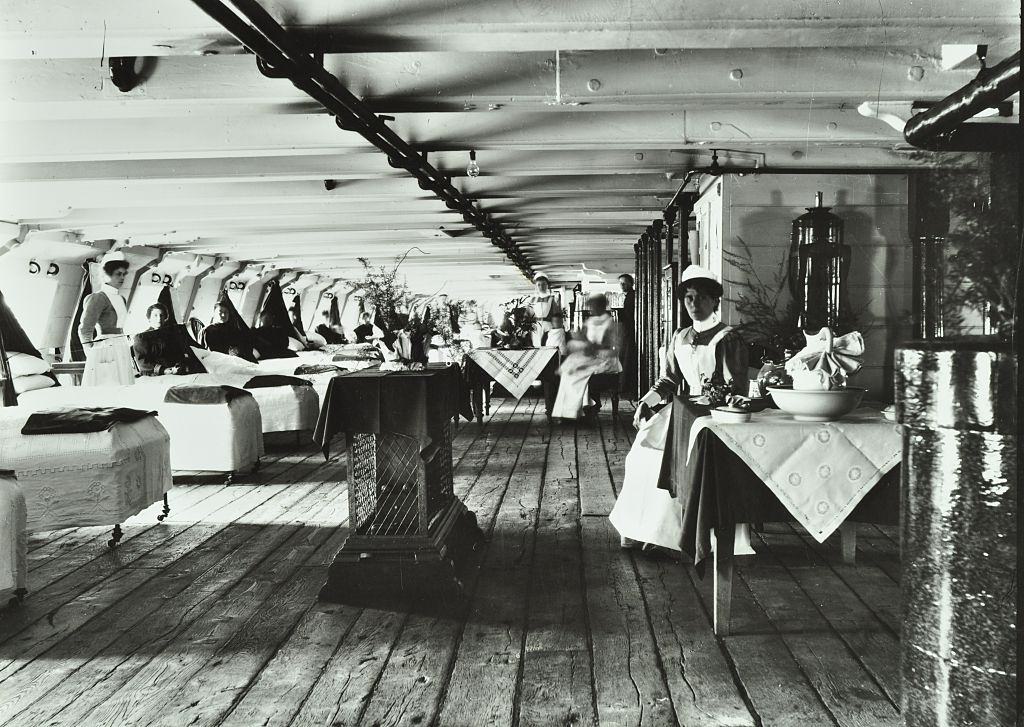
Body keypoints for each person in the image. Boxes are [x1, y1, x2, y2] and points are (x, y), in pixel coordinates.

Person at [609, 264, 750, 553]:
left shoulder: (728, 338)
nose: (694, 304)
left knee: (675, 460)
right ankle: (642, 529)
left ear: (715, 301)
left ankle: (672, 537)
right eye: (688, 298)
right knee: (642, 454)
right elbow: (669, 379)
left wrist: (717, 403)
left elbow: (736, 388)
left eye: (700, 297)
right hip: (683, 410)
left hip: (715, 414)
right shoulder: (679, 336)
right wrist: (646, 402)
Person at [551, 293, 622, 419]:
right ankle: (570, 411)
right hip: (591, 355)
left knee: (580, 371)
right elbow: (584, 337)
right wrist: (578, 338)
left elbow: (614, 346)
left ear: (602, 306)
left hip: (605, 358)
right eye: (591, 306)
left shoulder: (611, 323)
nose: (592, 309)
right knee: (569, 371)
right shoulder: (589, 322)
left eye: (595, 306)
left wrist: (595, 347)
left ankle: (586, 407)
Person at [79, 259, 136, 385]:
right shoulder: (98, 298)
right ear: (106, 276)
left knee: (123, 383)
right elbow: (85, 328)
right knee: (109, 383)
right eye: (118, 274)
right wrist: (91, 353)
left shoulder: (121, 298)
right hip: (104, 347)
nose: (122, 277)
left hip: (121, 345)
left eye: (123, 274)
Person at [132, 303, 203, 376]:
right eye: (155, 315)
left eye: (161, 315)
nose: (159, 318)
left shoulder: (172, 333)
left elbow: (181, 352)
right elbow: (143, 363)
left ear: (165, 317)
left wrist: (179, 366)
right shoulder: (142, 338)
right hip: (156, 374)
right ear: (149, 318)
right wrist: (163, 370)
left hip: (177, 371)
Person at [529, 274, 566, 350]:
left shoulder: (552, 299)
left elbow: (557, 314)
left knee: (548, 345)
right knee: (536, 344)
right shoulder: (533, 300)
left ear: (547, 286)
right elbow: (529, 314)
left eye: (543, 284)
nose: (541, 287)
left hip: (549, 324)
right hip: (536, 326)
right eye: (539, 285)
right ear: (536, 287)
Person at [617, 273, 637, 397]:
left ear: (631, 284)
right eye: (620, 283)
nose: (622, 285)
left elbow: (629, 316)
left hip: (630, 332)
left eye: (624, 283)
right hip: (628, 331)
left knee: (628, 358)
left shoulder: (632, 296)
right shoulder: (629, 296)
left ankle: (627, 387)